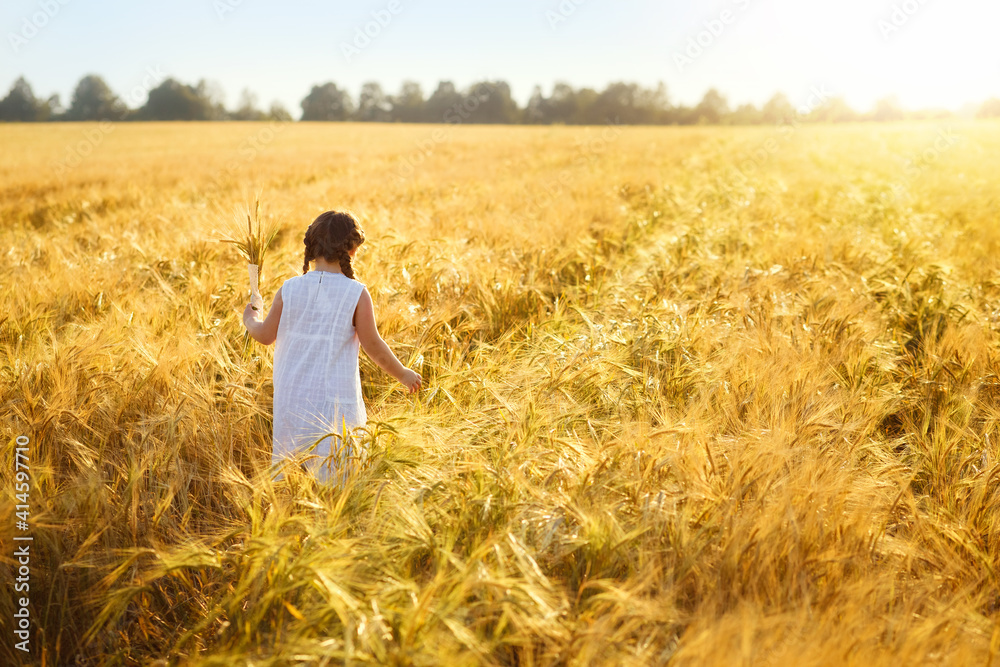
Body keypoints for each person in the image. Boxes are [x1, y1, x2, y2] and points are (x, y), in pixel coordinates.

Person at [242, 210, 421, 482]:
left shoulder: (288, 289)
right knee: (336, 473)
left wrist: (251, 319)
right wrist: (403, 373)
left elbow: (266, 335)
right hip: (333, 403)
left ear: (312, 248)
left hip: (292, 399)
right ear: (351, 249)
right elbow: (373, 344)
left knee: (293, 474)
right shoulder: (356, 293)